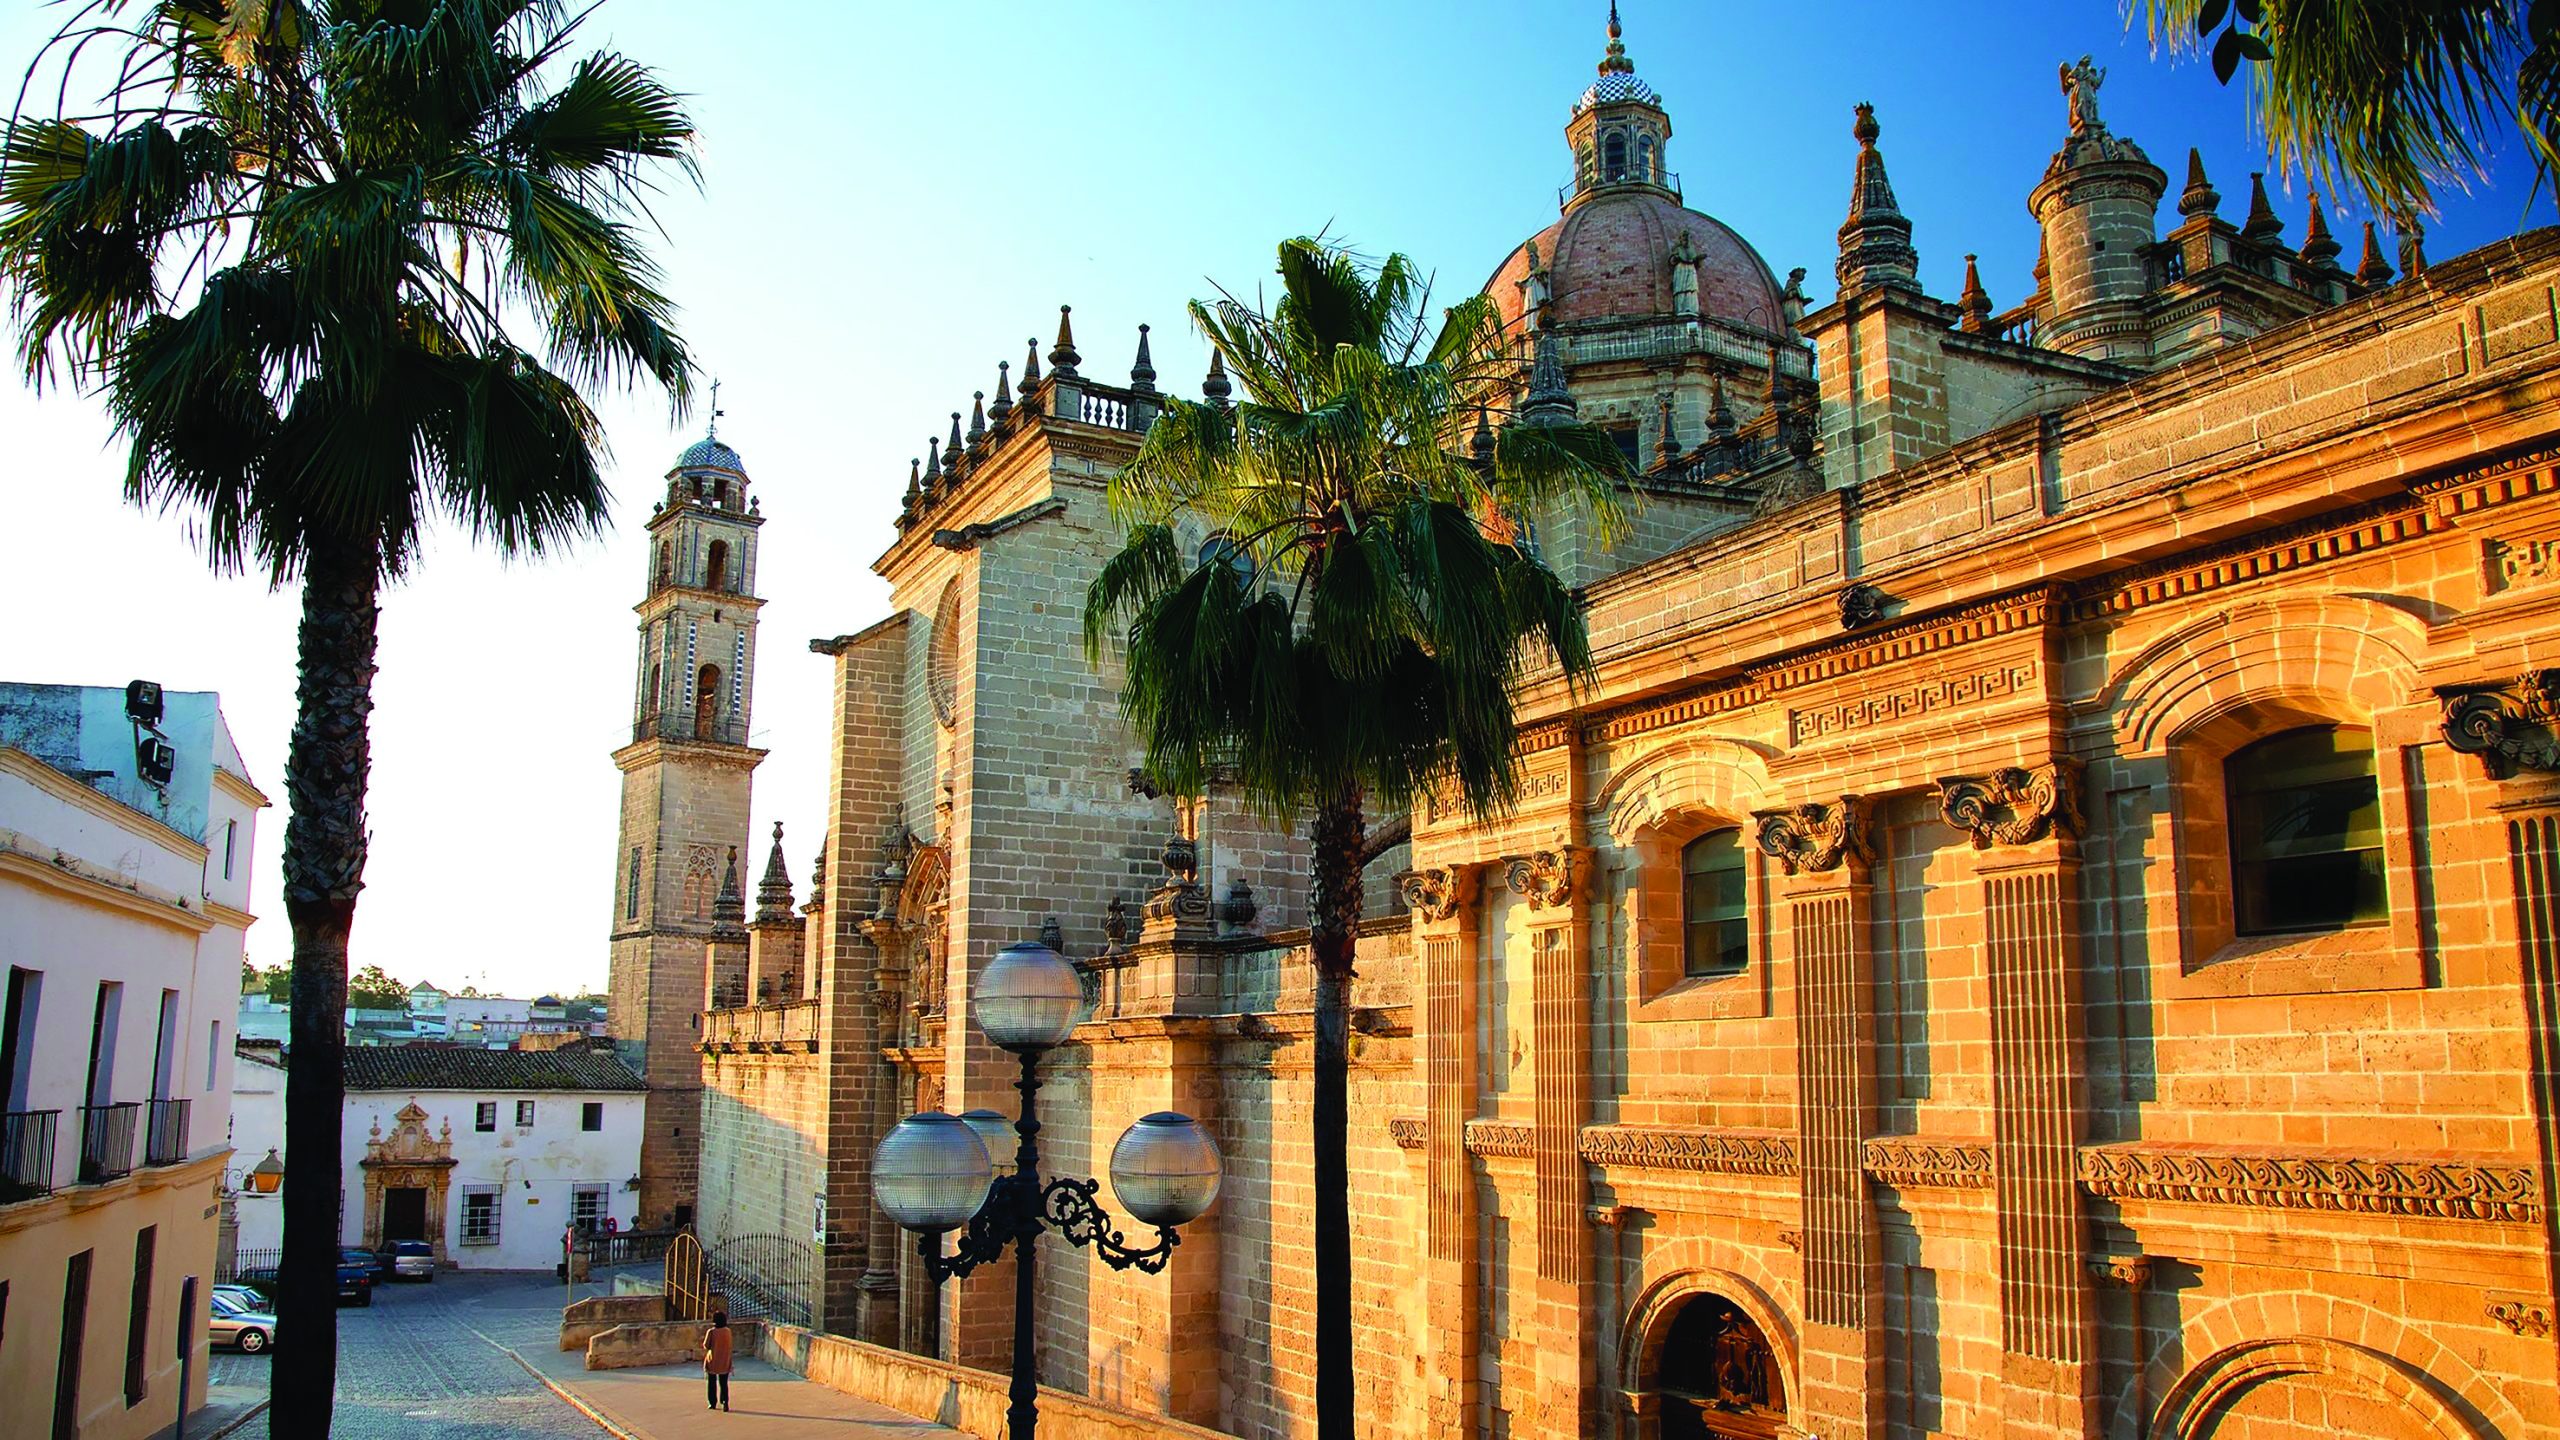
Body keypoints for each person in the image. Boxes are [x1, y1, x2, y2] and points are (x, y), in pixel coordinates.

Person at [704, 1310, 733, 1411]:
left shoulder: (711, 1332)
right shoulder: (727, 1331)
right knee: (723, 1383)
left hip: (713, 1360)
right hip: (725, 1360)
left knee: (712, 1383)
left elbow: (706, 1345)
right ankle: (725, 1402)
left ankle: (712, 1403)